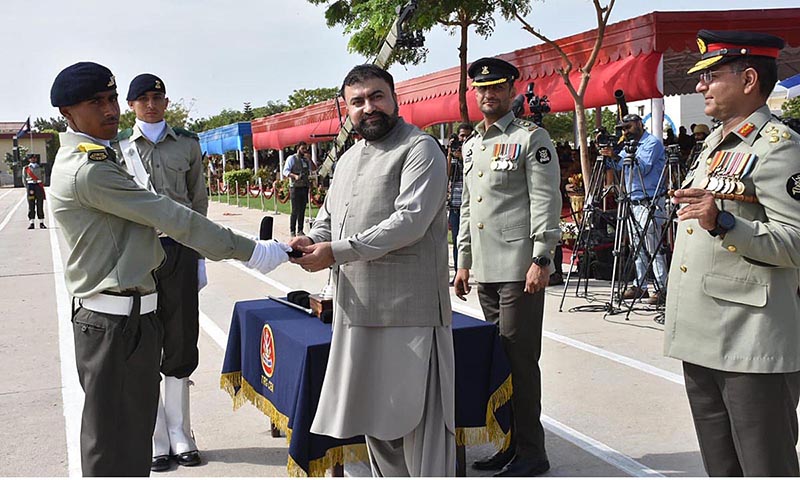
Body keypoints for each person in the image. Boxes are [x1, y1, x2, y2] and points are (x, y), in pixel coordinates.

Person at [48, 61, 290, 477]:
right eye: (96, 102)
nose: (110, 110)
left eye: (111, 99)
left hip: (135, 314)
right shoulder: (89, 170)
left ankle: (177, 434)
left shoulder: (109, 156)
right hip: (111, 325)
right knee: (111, 452)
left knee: (133, 445)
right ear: (67, 114)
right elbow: (173, 216)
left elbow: (192, 204)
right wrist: (255, 252)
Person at [288, 64, 455, 477]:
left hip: (409, 311)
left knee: (422, 428)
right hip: (357, 311)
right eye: (357, 102)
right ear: (347, 110)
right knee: (376, 425)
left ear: (395, 98)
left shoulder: (420, 149)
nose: (369, 108)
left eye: (377, 96)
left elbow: (410, 221)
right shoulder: (346, 159)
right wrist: (310, 241)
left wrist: (338, 251)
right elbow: (329, 218)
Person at [666, 30, 800, 476]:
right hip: (703, 335)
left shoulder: (780, 148)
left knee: (765, 466)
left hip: (751, 342)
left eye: (711, 76)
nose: (700, 86)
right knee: (721, 467)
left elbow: (795, 241)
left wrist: (724, 222)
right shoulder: (715, 144)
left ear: (747, 79)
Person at [454, 57, 562, 477]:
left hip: (520, 270)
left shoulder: (531, 139)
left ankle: (533, 452)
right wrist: (463, 261)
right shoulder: (473, 143)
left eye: (496, 88)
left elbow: (545, 202)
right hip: (486, 270)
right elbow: (467, 207)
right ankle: (509, 445)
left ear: (512, 91)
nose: (488, 95)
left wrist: (541, 257)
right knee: (499, 361)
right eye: (481, 89)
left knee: (520, 361)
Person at [112, 73, 207, 471]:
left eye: (157, 97)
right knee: (144, 341)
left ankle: (181, 431)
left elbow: (198, 199)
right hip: (138, 254)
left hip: (179, 249)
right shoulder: (117, 149)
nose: (150, 104)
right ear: (130, 105)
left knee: (181, 338)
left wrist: (199, 252)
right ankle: (155, 438)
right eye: (142, 98)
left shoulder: (187, 143)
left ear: (166, 102)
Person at [601, 114, 668, 305]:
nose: (625, 132)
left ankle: (661, 287)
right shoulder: (630, 145)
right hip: (633, 201)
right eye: (623, 128)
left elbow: (643, 167)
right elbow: (619, 165)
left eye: (628, 127)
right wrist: (609, 156)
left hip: (650, 201)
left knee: (652, 246)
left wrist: (619, 154)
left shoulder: (652, 143)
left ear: (639, 124)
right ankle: (640, 285)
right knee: (636, 246)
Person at [447, 123, 473, 283]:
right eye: (461, 136)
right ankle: (458, 271)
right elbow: (446, 173)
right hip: (455, 205)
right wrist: (450, 154)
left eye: (467, 136)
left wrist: (462, 155)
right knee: (457, 240)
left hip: (471, 205)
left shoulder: (474, 151)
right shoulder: (454, 154)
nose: (463, 139)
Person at [282, 141, 313, 236]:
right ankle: (292, 230)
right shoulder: (292, 158)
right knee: (295, 210)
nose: (304, 150)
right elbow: (285, 171)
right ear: (298, 148)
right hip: (295, 187)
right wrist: (294, 176)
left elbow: (314, 169)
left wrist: (310, 160)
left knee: (302, 210)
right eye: (302, 148)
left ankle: (300, 230)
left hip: (304, 187)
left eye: (306, 149)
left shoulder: (306, 160)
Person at [23, 154, 46, 229]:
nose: (33, 159)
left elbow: (43, 176)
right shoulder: (26, 168)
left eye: (34, 158)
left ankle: (41, 222)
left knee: (40, 204)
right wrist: (27, 187)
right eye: (31, 158)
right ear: (29, 160)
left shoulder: (40, 167)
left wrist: (42, 183)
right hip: (31, 186)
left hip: (38, 186)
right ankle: (31, 222)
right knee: (31, 205)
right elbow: (24, 178)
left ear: (36, 159)